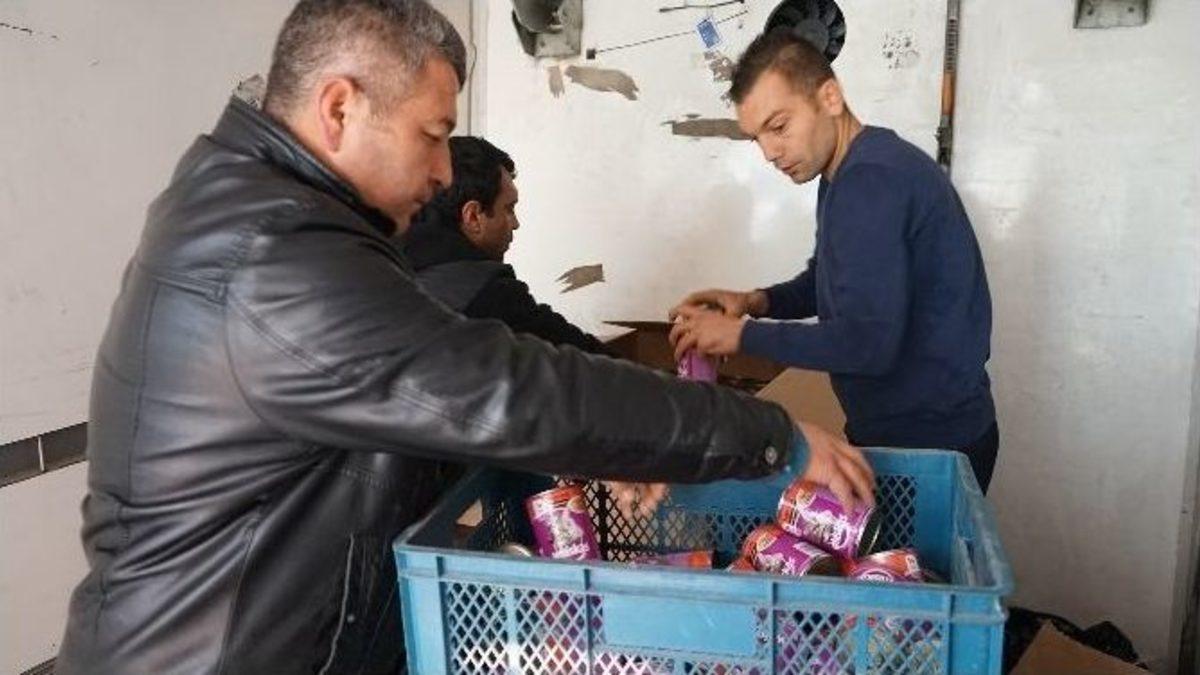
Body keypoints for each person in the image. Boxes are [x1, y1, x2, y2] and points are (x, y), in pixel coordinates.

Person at [56, 3, 874, 673]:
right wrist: (769, 434)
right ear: (339, 108)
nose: (447, 172)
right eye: (432, 133)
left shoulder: (268, 218)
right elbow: (502, 389)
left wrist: (604, 447)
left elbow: (417, 406)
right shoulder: (273, 259)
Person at [670, 29, 998, 492]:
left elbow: (866, 344)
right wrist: (755, 301)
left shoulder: (871, 182)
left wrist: (740, 335)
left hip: (931, 445)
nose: (769, 153)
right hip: (922, 428)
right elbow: (828, 279)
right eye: (757, 138)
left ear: (830, 97)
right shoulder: (847, 171)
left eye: (779, 126)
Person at [403, 136, 611, 356]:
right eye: (509, 209)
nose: (515, 223)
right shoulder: (487, 293)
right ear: (473, 217)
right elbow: (587, 359)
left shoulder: (387, 269)